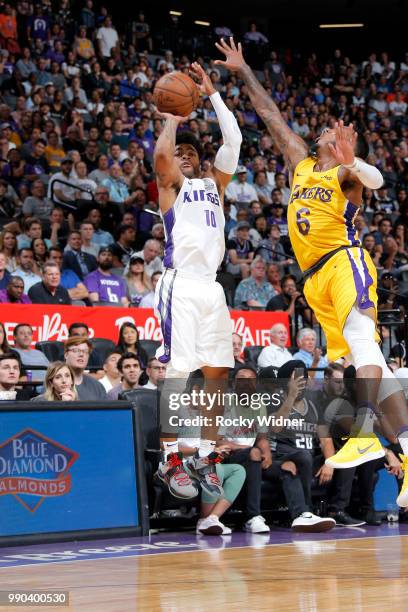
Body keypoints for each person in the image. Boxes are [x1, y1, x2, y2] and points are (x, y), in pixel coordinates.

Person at [216, 38, 408, 507]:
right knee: (375, 367)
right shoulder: (301, 164)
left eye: (340, 132)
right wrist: (242, 71)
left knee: (364, 345)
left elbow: (379, 181)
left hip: (346, 261)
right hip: (315, 279)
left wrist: (354, 163)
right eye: (327, 130)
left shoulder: (345, 176)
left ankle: (364, 432)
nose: (329, 130)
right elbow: (271, 116)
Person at [153, 60, 242, 500]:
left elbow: (235, 140)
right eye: (181, 154)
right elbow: (162, 158)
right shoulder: (171, 187)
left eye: (191, 153)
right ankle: (169, 458)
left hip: (211, 286)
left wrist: (212, 95)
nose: (184, 157)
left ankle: (206, 456)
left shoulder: (214, 185)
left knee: (218, 373)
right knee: (179, 369)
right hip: (180, 282)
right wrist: (172, 120)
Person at [64, 336, 106, 401]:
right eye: (76, 350)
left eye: (85, 351)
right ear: (66, 355)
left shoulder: (97, 386)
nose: (81, 354)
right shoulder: (53, 383)